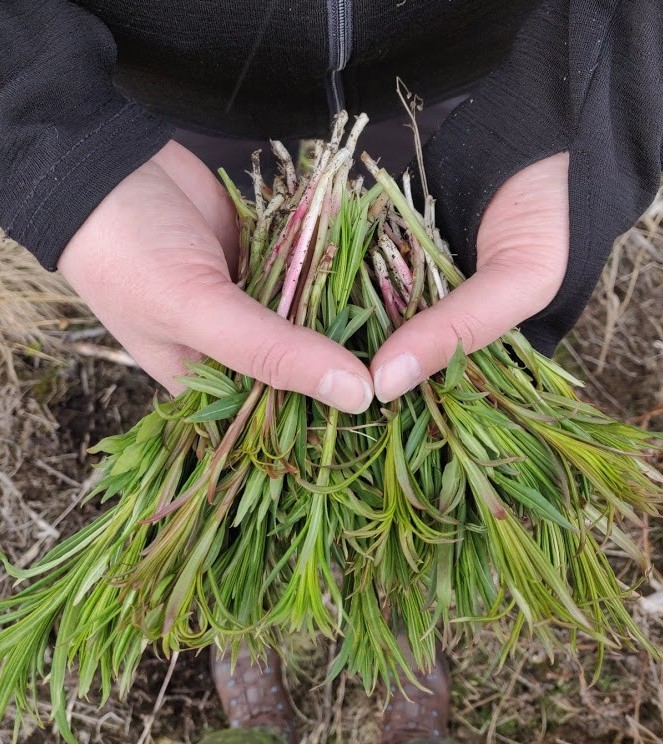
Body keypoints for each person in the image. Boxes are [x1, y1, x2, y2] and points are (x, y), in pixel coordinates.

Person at [1, 1, 661, 741]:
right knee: (226, 343)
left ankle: (401, 580)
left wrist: (580, 102)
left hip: (486, 68)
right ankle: (243, 589)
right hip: (179, 84)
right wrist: (57, 135)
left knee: (433, 364)